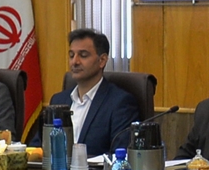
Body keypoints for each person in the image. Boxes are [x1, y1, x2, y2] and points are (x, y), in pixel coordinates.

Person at [44, 29, 140, 160]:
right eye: (71, 55)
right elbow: (38, 146)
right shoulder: (58, 100)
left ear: (102, 60)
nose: (75, 62)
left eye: (83, 55)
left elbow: (120, 155)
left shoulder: (120, 103)